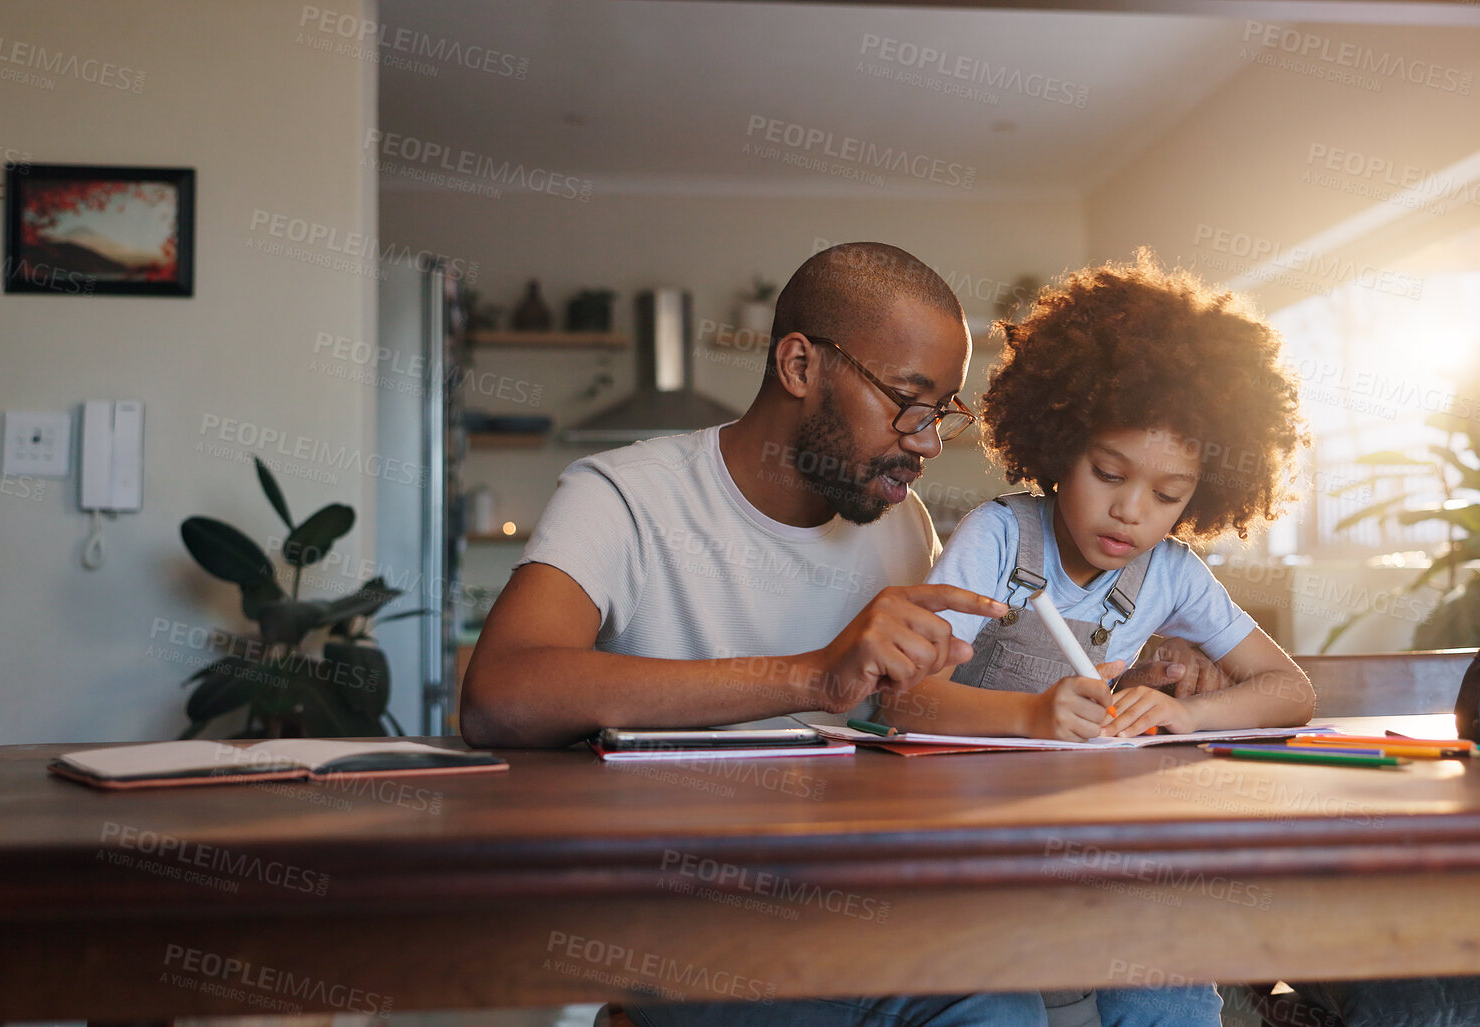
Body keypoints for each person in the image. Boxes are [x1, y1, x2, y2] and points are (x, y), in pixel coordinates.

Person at [463, 241, 1129, 1027]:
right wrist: (813, 676)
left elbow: (921, 711)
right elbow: (500, 694)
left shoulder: (899, 524)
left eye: (944, 410)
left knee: (1014, 999)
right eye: (907, 400)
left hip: (857, 903)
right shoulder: (622, 497)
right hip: (670, 918)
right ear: (799, 365)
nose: (927, 441)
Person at [880, 253, 1314, 1027]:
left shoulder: (1173, 573)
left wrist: (1187, 715)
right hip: (968, 838)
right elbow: (904, 699)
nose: (1130, 513)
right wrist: (1028, 717)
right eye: (1108, 472)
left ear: (1200, 495)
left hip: (1096, 835)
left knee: (1173, 966)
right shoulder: (999, 537)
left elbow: (1289, 691)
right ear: (1057, 445)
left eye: (1167, 494)